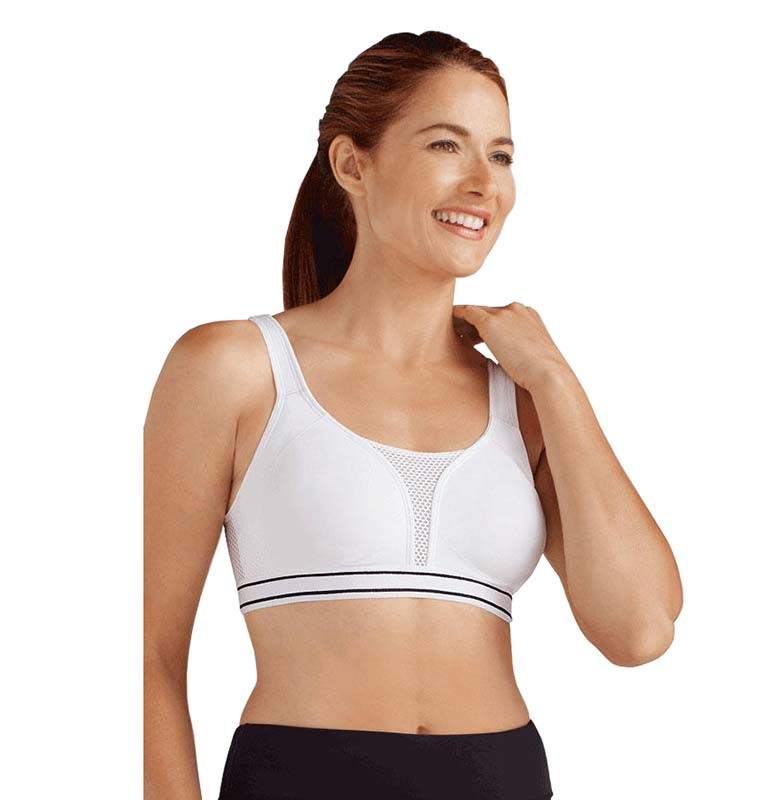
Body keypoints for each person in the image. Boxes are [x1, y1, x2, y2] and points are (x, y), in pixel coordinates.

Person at [144, 30, 683, 800]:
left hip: (503, 779)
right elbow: (147, 656)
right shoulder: (235, 370)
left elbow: (640, 631)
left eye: (501, 155)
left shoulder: (523, 402)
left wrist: (555, 381)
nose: (483, 183)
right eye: (445, 145)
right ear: (351, 164)